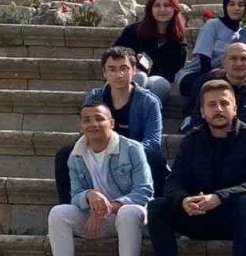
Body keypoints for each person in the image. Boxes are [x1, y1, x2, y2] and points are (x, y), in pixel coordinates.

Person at [143, 80, 246, 256]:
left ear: (235, 107)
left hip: (234, 218)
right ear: (202, 112)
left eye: (224, 103)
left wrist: (220, 198)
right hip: (197, 215)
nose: (219, 109)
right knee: (158, 206)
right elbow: (173, 182)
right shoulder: (191, 140)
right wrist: (183, 200)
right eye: (212, 105)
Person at [44, 103, 152, 256]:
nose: (93, 124)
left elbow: (144, 191)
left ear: (111, 123)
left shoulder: (132, 149)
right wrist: (89, 195)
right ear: (80, 127)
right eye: (87, 120)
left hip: (128, 218)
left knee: (128, 212)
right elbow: (75, 195)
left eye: (99, 118)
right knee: (59, 213)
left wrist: (109, 208)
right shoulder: (75, 156)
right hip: (95, 220)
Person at [56, 47, 166, 206]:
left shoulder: (149, 102)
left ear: (134, 70)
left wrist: (125, 151)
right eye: (112, 69)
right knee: (65, 154)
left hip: (133, 156)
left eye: (124, 68)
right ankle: (71, 207)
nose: (118, 74)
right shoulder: (95, 97)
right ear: (104, 73)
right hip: (99, 151)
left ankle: (152, 213)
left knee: (155, 158)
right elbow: (86, 130)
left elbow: (153, 142)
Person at [191, 42, 246, 151]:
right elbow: (196, 123)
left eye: (244, 59)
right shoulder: (208, 91)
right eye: (233, 58)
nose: (238, 63)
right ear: (223, 62)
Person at [178, 0, 245, 126]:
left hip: (225, 73)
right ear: (225, 6)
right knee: (208, 80)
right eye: (231, 4)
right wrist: (212, 74)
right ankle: (189, 118)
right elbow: (204, 57)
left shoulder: (244, 32)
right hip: (196, 73)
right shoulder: (213, 24)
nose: (236, 8)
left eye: (240, 5)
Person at [112, 0, 187, 106]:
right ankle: (125, 114)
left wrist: (150, 67)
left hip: (158, 80)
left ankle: (146, 118)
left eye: (167, 5)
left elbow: (172, 72)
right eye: (157, 5)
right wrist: (135, 62)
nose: (162, 10)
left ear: (174, 9)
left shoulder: (178, 40)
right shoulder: (133, 31)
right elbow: (114, 55)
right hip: (129, 75)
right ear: (150, 9)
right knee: (140, 77)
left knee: (159, 84)